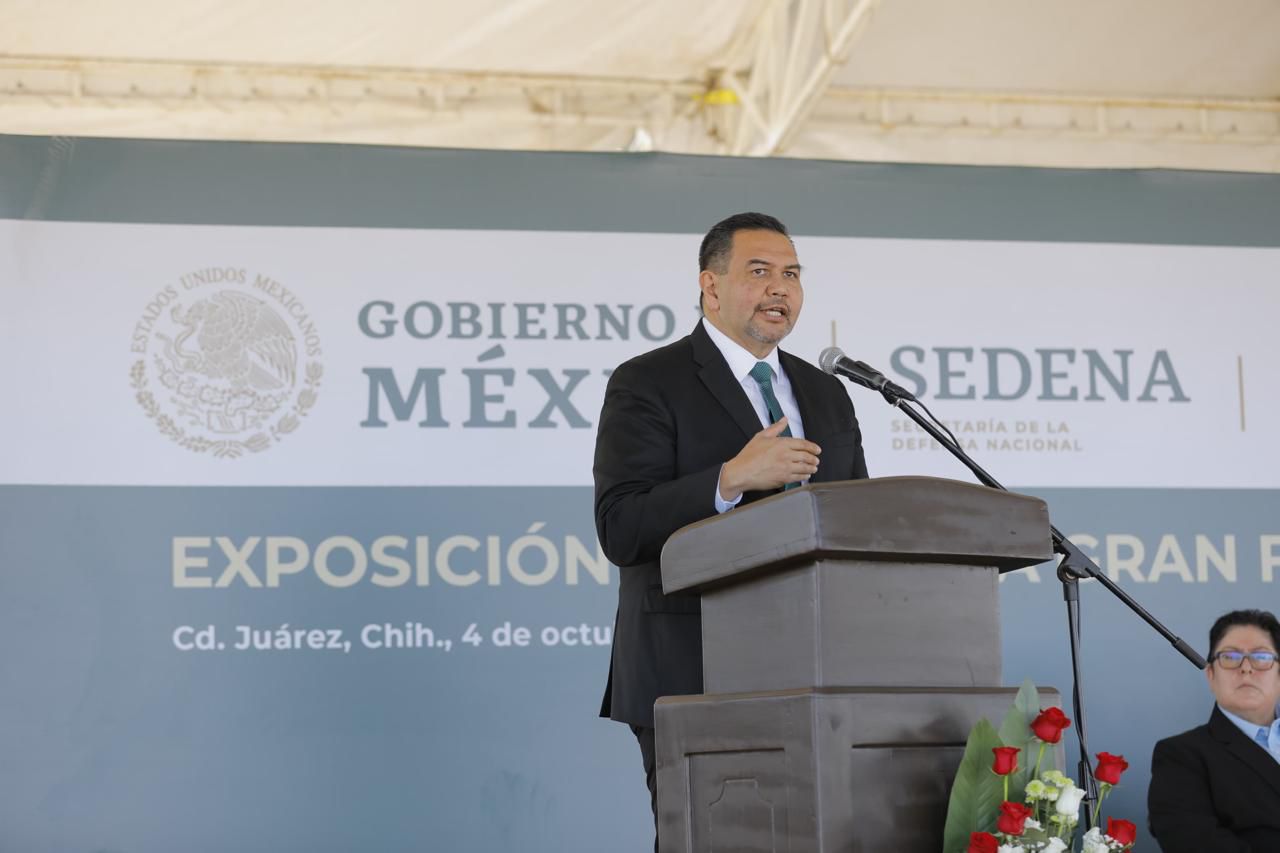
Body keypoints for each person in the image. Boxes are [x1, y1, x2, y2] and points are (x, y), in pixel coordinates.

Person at [592, 212, 869, 845]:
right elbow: (622, 526)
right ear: (710, 288)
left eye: (792, 274)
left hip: (818, 673)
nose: (781, 288)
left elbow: (855, 523)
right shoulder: (647, 382)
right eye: (760, 271)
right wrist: (731, 478)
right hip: (695, 668)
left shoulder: (827, 394)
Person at [1147, 608, 1280, 852]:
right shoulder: (1180, 756)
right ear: (1211, 675)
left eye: (1261, 657)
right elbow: (1194, 843)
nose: (1246, 668)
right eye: (1230, 657)